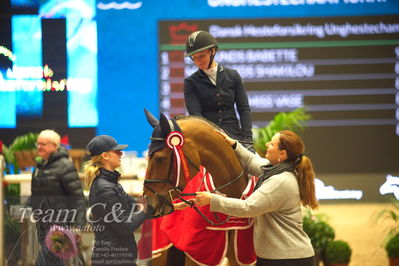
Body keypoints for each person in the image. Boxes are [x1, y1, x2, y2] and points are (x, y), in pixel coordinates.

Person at [195, 130, 319, 266]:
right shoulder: (275, 170)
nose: (267, 144)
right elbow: (251, 161)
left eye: (271, 144)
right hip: (280, 257)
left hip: (286, 260)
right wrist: (234, 144)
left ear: (282, 154)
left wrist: (212, 200)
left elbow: (248, 207)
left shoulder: (280, 181)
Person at [85, 135, 151, 266]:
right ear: (105, 156)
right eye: (116, 151)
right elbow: (125, 227)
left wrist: (172, 206)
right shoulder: (105, 188)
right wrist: (144, 210)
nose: (121, 153)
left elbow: (135, 207)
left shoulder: (112, 184)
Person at [184, 30, 254, 152]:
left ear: (213, 51)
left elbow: (243, 109)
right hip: (208, 139)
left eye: (201, 56)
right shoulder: (190, 83)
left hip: (235, 136)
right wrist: (213, 136)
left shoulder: (233, 75)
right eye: (194, 58)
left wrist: (247, 140)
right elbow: (197, 117)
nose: (198, 62)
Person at [30, 129, 86, 266]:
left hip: (60, 226)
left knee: (44, 262)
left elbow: (77, 197)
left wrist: (77, 226)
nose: (39, 147)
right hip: (42, 225)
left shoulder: (65, 166)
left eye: (43, 144)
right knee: (55, 262)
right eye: (38, 144)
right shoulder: (39, 167)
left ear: (55, 146)